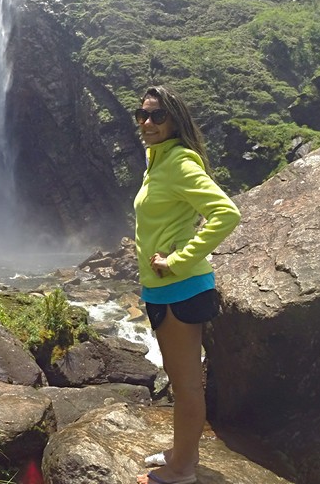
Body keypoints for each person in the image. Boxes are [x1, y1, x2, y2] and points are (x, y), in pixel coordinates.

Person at [132, 85, 241, 484]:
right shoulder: (156, 160)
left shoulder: (178, 162)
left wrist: (177, 259)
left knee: (186, 386)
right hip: (162, 290)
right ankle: (181, 451)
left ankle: (181, 470)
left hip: (182, 288)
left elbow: (226, 213)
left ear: (175, 120)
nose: (147, 122)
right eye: (141, 114)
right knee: (182, 382)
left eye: (157, 116)